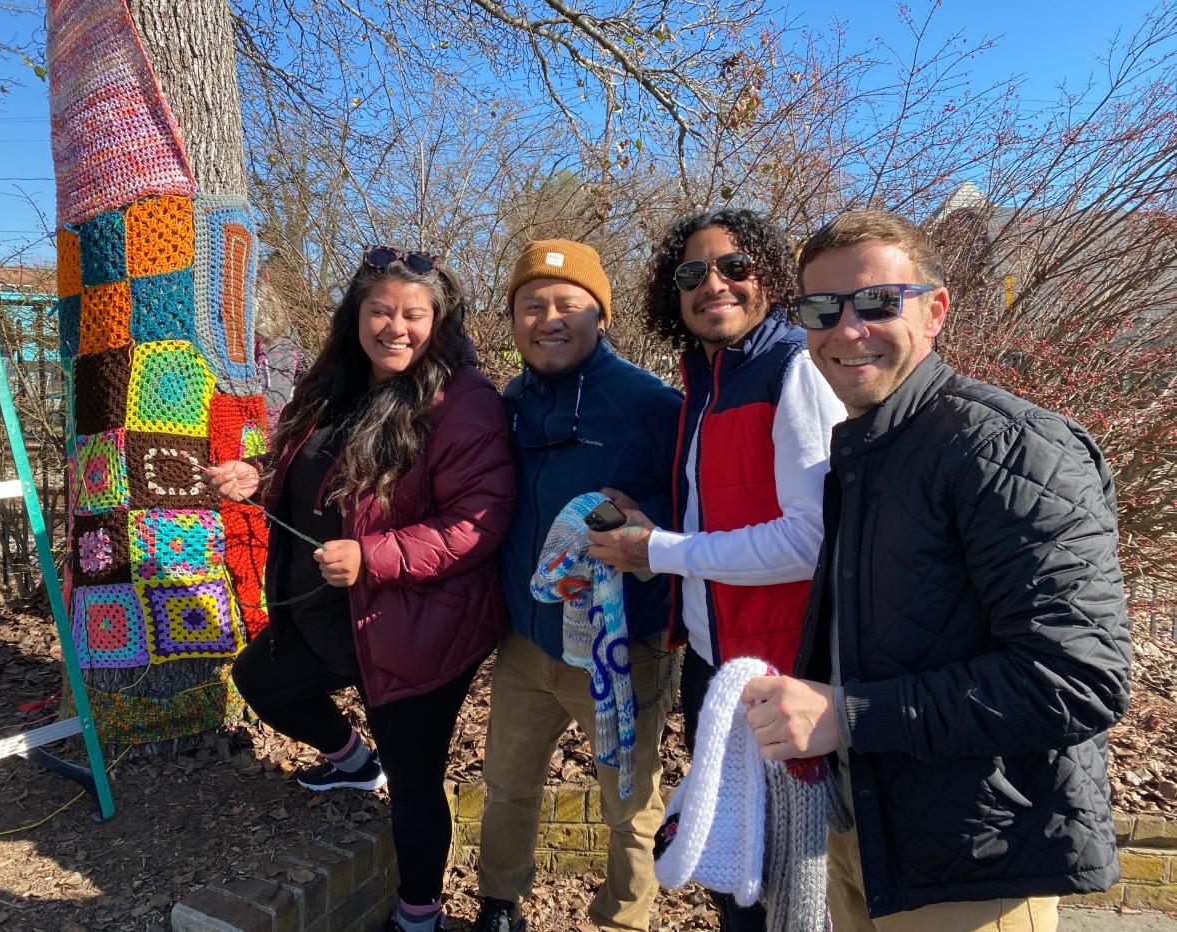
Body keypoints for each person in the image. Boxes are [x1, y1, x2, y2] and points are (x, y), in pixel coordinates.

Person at [741, 210, 1132, 931]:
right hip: (870, 840)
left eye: (877, 302)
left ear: (935, 310)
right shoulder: (866, 450)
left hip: (972, 863)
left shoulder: (1010, 446)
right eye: (822, 308)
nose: (847, 328)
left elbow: (1079, 679)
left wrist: (847, 716)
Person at [208, 245, 514, 932]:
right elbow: (310, 460)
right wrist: (258, 474)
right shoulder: (336, 381)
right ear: (357, 316)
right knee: (260, 679)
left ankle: (418, 913)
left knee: (413, 785)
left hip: (419, 625)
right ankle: (350, 759)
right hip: (328, 606)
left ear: (441, 322)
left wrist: (374, 556)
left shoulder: (463, 403)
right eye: (380, 310)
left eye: (414, 314)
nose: (395, 327)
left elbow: (475, 524)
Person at [588, 209, 844, 930]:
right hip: (716, 662)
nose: (714, 285)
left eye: (735, 267)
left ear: (768, 276)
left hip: (781, 669)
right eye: (692, 274)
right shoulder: (706, 379)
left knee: (787, 892)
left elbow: (809, 539)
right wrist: (649, 516)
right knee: (739, 875)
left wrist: (657, 549)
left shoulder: (792, 368)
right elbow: (723, 505)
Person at [473, 239, 682, 932]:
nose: (549, 318)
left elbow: (700, 518)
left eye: (568, 304)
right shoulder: (510, 401)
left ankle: (623, 920)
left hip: (624, 651)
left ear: (602, 315)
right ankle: (500, 905)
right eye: (532, 305)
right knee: (506, 787)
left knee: (629, 805)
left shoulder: (652, 405)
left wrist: (654, 537)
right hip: (527, 646)